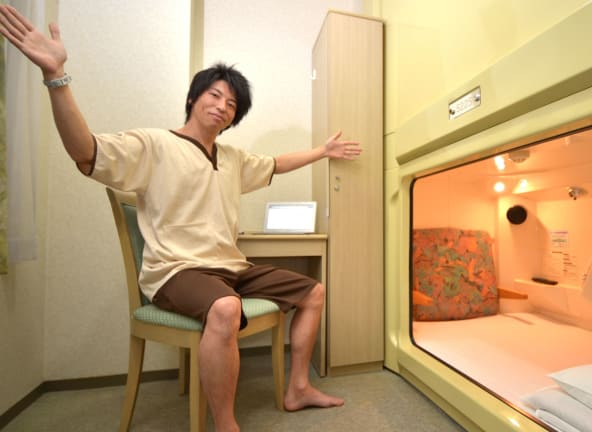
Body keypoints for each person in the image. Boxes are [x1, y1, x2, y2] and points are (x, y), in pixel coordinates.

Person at [0, 4, 359, 431]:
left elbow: (277, 164)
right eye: (215, 95)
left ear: (234, 118)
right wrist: (56, 77)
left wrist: (323, 151)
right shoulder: (154, 144)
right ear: (193, 98)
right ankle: (225, 425)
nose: (222, 106)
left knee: (313, 291)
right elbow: (85, 152)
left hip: (231, 268)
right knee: (225, 308)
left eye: (232, 104)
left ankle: (297, 388)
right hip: (176, 270)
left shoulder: (233, 158)